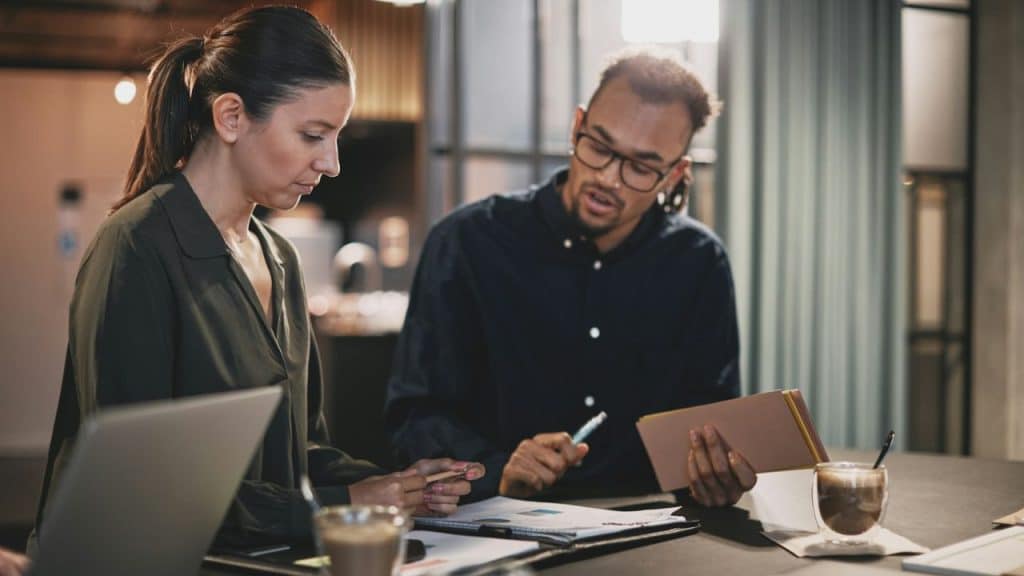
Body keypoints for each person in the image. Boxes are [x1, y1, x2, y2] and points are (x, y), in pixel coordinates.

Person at [33, 6, 482, 550]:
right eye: (313, 135)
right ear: (230, 118)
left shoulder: (279, 260)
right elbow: (144, 489)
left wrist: (404, 484)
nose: (333, 163)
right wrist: (350, 504)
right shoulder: (135, 247)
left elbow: (299, 455)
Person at [385, 49, 754, 507]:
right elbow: (413, 419)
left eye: (640, 167)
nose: (608, 179)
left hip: (651, 527)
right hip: (497, 524)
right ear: (577, 126)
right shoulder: (466, 243)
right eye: (599, 146)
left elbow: (709, 427)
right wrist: (497, 468)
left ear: (674, 174)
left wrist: (716, 472)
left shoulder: (699, 263)